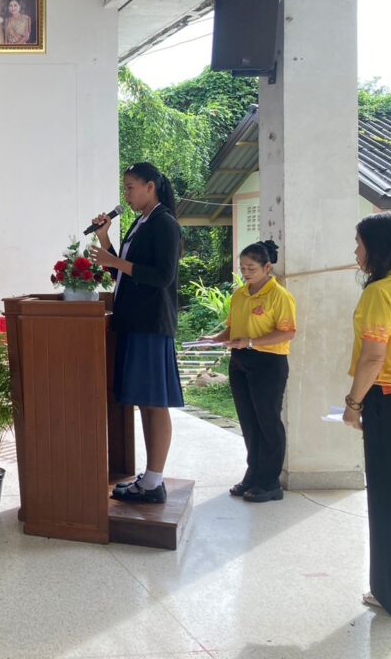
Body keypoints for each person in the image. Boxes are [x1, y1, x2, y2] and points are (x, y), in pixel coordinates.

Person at [89, 162, 183, 503]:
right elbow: (124, 274)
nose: (126, 194)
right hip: (134, 321)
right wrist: (105, 238)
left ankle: (154, 481)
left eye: (130, 187)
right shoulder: (142, 223)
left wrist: (115, 262)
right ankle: (149, 479)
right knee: (145, 402)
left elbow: (163, 276)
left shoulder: (165, 223)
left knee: (155, 402)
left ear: (150, 186)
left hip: (151, 324)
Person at [342, 211, 391, 619]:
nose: (356, 252)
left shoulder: (380, 292)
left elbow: (374, 357)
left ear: (377, 247)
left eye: (359, 244)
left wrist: (353, 404)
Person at [203, 240, 297, 503]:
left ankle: (270, 482)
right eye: (242, 268)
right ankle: (253, 475)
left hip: (269, 363)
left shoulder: (280, 296)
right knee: (248, 421)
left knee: (268, 422)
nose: (245, 273)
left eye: (251, 268)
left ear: (267, 268)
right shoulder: (239, 295)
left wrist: (252, 342)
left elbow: (288, 332)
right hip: (240, 362)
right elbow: (233, 329)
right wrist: (215, 339)